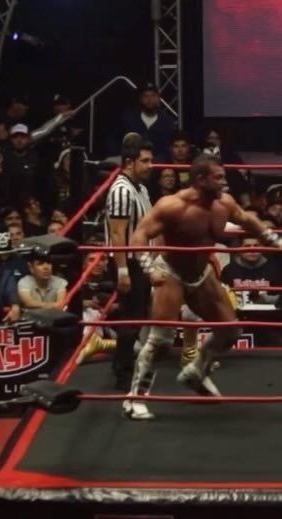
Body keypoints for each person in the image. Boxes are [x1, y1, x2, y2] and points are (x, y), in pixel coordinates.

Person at [123, 153, 282, 420]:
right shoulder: (172, 205)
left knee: (230, 330)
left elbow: (248, 221)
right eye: (218, 177)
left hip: (201, 272)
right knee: (161, 341)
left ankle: (196, 372)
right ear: (200, 179)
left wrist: (278, 242)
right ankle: (135, 398)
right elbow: (139, 236)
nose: (224, 182)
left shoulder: (224, 203)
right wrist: (149, 268)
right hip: (170, 270)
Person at [105, 133, 155, 391]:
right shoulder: (121, 191)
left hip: (141, 261)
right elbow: (117, 233)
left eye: (150, 160)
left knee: (139, 316)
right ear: (128, 162)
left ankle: (128, 365)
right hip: (127, 262)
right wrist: (122, 270)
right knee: (130, 318)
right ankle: (122, 374)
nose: (150, 166)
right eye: (144, 161)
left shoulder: (141, 189)